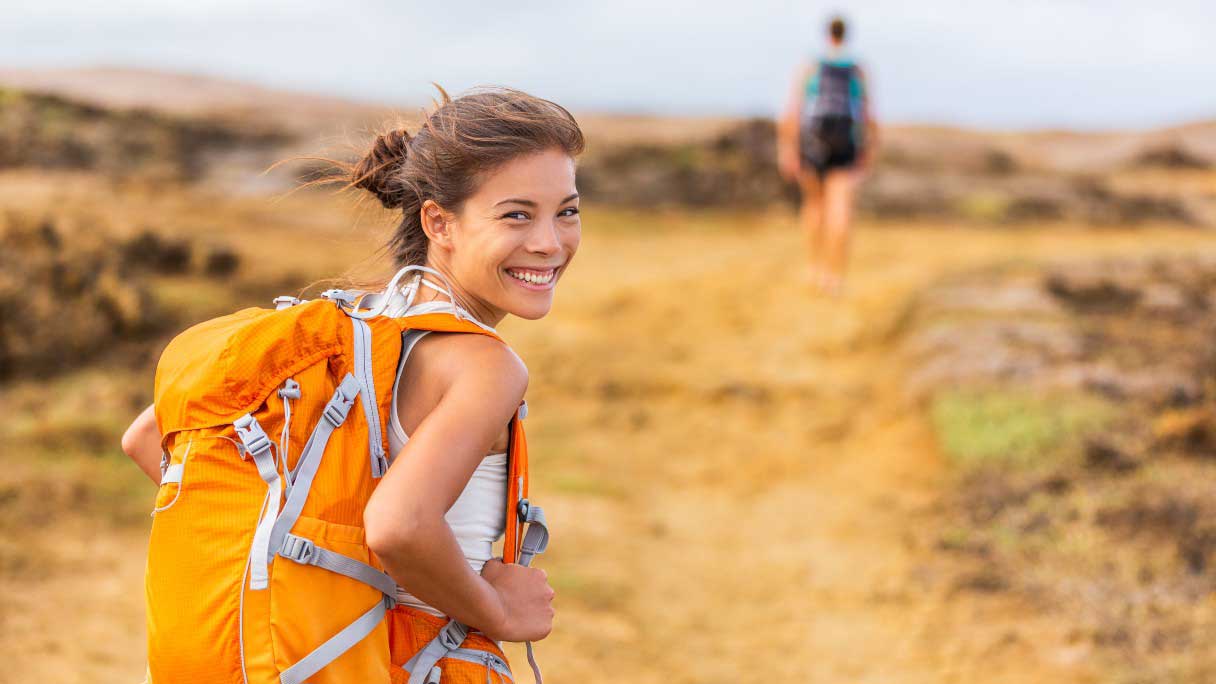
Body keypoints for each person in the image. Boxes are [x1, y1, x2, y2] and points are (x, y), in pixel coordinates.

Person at [121, 87, 584, 683]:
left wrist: (313, 570)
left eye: (566, 211)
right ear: (438, 221)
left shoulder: (338, 336)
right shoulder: (483, 365)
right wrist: (496, 607)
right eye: (516, 214)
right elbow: (399, 525)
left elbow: (146, 438)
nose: (550, 241)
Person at [778, 16, 878, 296]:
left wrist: (788, 149)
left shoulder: (811, 66)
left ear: (827, 35)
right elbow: (869, 115)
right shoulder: (857, 70)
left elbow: (793, 111)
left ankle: (814, 267)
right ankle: (835, 277)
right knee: (841, 211)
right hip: (845, 143)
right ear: (847, 36)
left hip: (813, 143)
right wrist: (869, 150)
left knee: (814, 205)